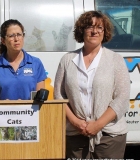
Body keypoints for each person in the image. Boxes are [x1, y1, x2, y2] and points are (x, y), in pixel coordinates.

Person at [54, 11, 130, 159]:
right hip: (76, 135)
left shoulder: (116, 60)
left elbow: (122, 98)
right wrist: (76, 123)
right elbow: (59, 95)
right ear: (82, 30)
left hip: (109, 136)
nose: (94, 31)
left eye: (99, 27)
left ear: (105, 31)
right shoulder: (67, 60)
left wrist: (98, 124)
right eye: (89, 26)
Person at [0, 19, 47, 100]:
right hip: (2, 112)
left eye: (19, 34)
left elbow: (40, 99)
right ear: (3, 40)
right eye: (11, 36)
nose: (16, 39)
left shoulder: (36, 63)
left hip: (30, 112)